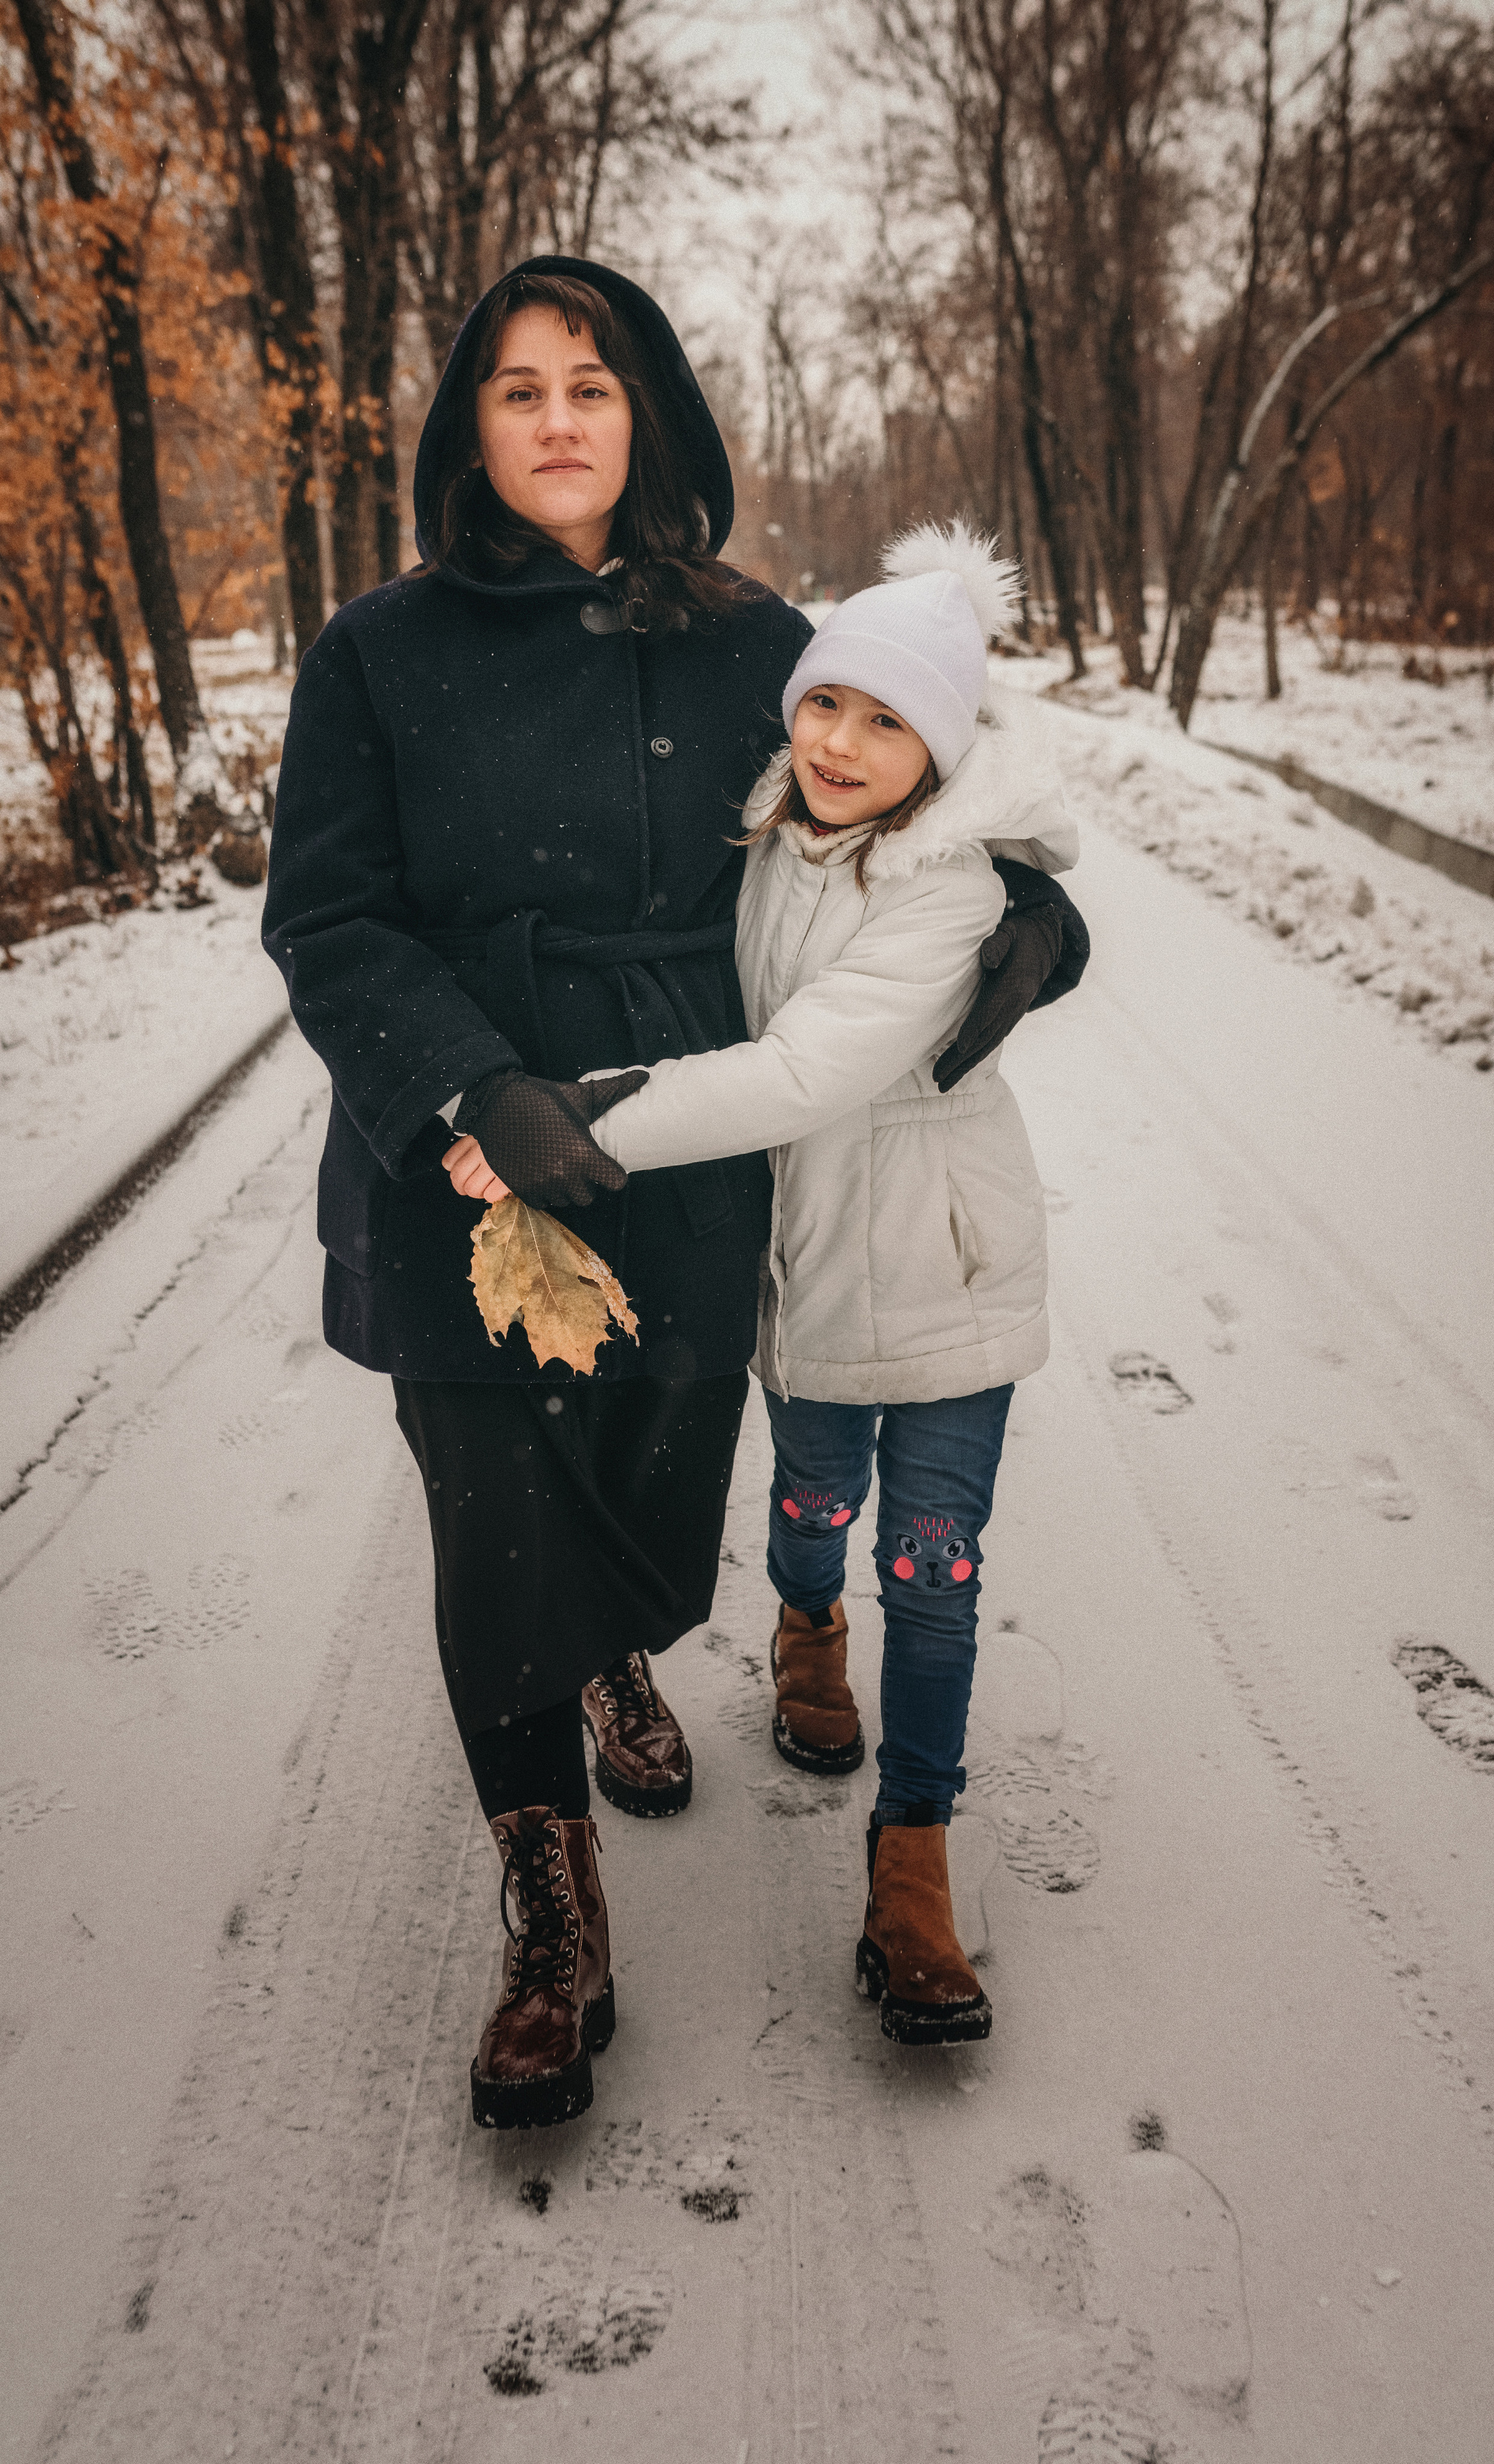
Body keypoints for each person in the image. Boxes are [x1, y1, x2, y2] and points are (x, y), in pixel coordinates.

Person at [264, 259, 1087, 2128]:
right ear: (470, 429)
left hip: (689, 1121)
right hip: (463, 1136)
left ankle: (618, 1644)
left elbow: (892, 796)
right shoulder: (377, 650)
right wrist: (463, 1084)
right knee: (489, 1514)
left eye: (596, 385)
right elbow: (325, 913)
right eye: (519, 389)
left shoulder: (755, 639)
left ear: (653, 420)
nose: (559, 418)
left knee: (645, 1467)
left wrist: (1037, 913)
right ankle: (551, 1905)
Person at [448, 524, 1078, 2049]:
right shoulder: (765, 823)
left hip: (940, 1273)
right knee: (808, 1509)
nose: (841, 743)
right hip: (802, 1275)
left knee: (932, 1567)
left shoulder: (946, 892)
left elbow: (800, 1069)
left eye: (887, 721)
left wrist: (584, 1118)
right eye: (824, 705)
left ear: (945, 746)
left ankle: (912, 1860)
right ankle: (805, 1634)